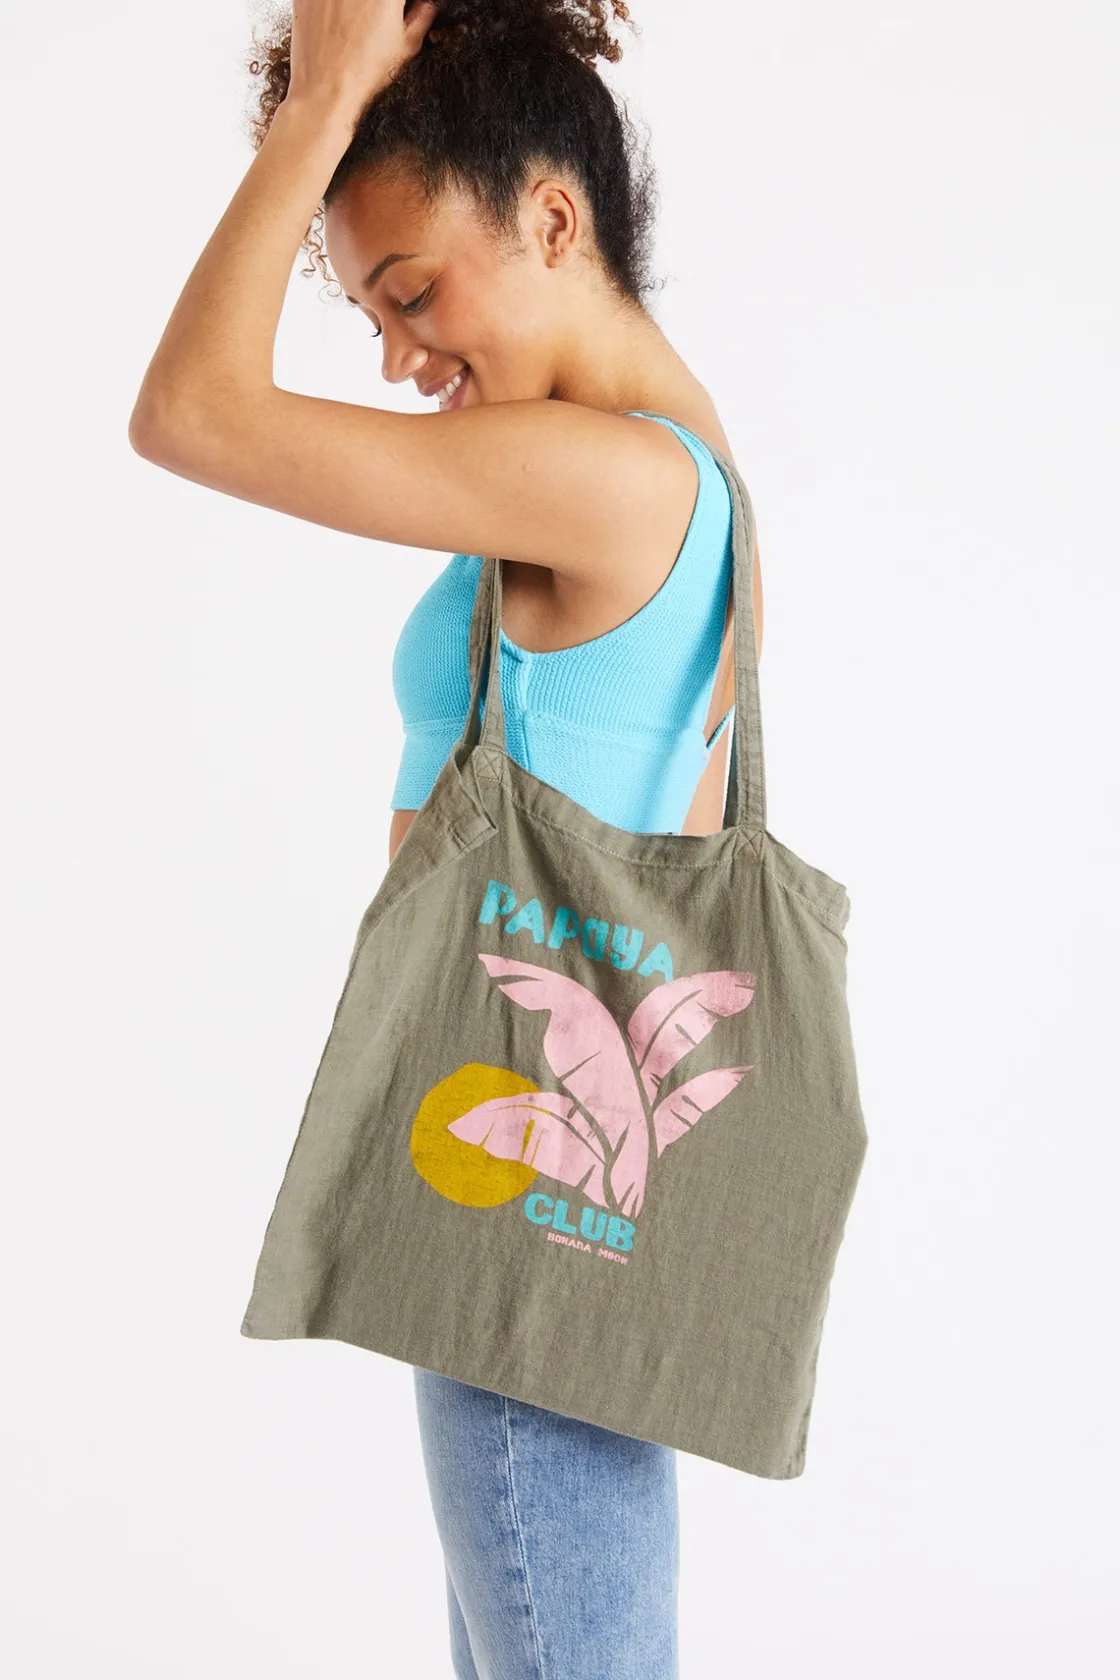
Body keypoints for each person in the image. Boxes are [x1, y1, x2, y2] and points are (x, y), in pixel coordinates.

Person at [130, 2, 764, 1673]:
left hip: (524, 1222)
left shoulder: (614, 480)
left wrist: (320, 111)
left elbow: (190, 411)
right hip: (548, 1191)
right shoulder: (670, 466)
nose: (399, 358)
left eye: (410, 294)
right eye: (372, 314)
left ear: (553, 218)